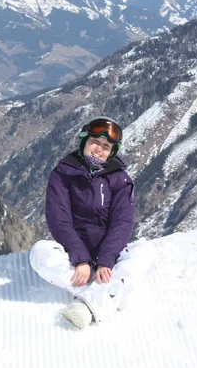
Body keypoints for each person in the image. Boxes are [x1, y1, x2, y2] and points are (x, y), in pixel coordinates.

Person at [30, 116, 155, 329]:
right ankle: (110, 293)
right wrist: (81, 260)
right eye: (95, 142)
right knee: (40, 252)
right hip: (73, 254)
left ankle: (88, 304)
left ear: (112, 152)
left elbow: (122, 222)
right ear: (84, 142)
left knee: (146, 252)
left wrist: (106, 260)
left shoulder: (120, 179)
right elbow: (59, 220)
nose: (99, 149)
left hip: (110, 256)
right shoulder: (62, 174)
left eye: (106, 146)